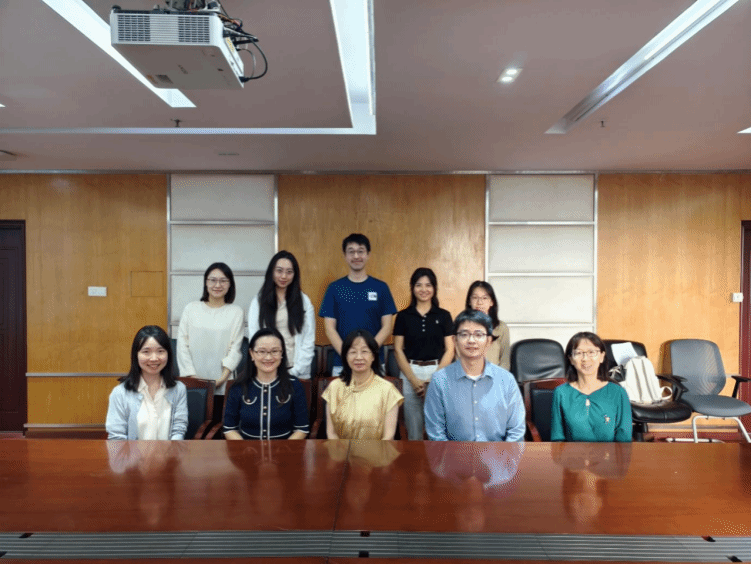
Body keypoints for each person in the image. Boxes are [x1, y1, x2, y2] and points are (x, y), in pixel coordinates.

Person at [424, 309, 525, 442]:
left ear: (489, 341)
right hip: (454, 454)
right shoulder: (439, 381)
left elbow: (516, 431)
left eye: (478, 334)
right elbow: (436, 433)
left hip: (498, 454)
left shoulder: (506, 380)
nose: (471, 340)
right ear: (454, 340)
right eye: (464, 334)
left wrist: (503, 456)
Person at [319, 233, 397, 374]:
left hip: (374, 363)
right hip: (342, 363)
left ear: (368, 255)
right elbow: (330, 329)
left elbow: (387, 327)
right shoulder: (334, 289)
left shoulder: (381, 287)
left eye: (360, 251)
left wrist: (368, 353)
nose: (356, 256)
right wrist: (348, 355)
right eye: (351, 252)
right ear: (345, 255)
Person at [393, 267, 454, 440]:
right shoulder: (403, 316)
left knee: (438, 430)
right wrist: (413, 379)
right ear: (412, 288)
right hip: (410, 372)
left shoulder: (444, 316)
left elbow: (450, 349)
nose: (424, 289)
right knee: (413, 432)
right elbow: (398, 349)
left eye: (428, 285)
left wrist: (435, 379)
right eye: (419, 285)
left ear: (434, 288)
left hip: (437, 371)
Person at [177, 262, 244, 415]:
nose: (217, 285)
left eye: (223, 280)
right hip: (192, 385)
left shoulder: (236, 312)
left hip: (223, 385)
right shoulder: (191, 308)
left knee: (220, 424)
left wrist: (220, 380)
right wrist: (194, 378)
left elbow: (235, 349)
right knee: (190, 424)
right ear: (206, 282)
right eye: (213, 280)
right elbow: (182, 346)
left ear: (230, 284)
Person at [223, 328, 309, 440]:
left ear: (282, 353)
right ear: (252, 354)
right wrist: (245, 448)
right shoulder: (238, 386)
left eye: (275, 351)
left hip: (285, 449)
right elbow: (229, 429)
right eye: (262, 351)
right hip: (247, 449)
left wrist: (284, 449)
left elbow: (302, 429)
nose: (268, 357)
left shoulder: (294, 385)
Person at [106, 325, 188, 440]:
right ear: (136, 355)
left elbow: (179, 429)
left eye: (160, 351)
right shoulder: (120, 393)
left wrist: (172, 451)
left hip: (169, 452)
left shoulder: (179, 389)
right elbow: (116, 437)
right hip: (132, 452)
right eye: (146, 352)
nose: (154, 358)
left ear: (168, 354)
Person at [550, 332, 632, 442]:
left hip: (609, 453)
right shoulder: (561, 393)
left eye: (591, 352)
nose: (585, 358)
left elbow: (624, 439)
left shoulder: (618, 392)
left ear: (601, 356)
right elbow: (557, 438)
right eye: (578, 353)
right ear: (571, 359)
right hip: (572, 453)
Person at [323, 329, 404, 440]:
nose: (359, 357)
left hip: (378, 450)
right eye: (353, 352)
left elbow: (388, 436)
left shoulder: (388, 390)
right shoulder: (334, 387)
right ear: (345, 356)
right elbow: (331, 433)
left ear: (373, 356)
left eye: (364, 351)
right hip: (340, 450)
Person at [248, 251, 315, 380]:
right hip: (267, 369)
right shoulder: (259, 301)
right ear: (271, 272)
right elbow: (254, 336)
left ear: (295, 274)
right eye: (279, 271)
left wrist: (296, 371)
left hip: (296, 370)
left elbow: (308, 340)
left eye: (289, 272)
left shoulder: (304, 301)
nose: (284, 276)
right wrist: (266, 368)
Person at [465, 281, 510, 370]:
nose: (479, 302)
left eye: (484, 298)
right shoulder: (461, 327)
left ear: (492, 302)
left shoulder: (501, 327)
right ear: (469, 301)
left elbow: (505, 361)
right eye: (475, 298)